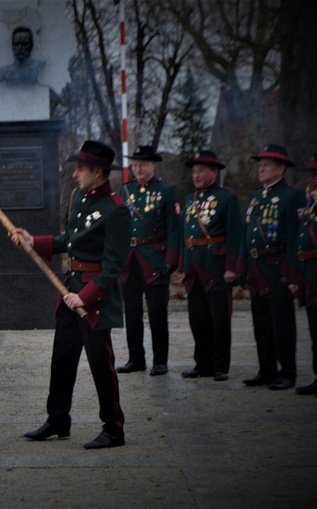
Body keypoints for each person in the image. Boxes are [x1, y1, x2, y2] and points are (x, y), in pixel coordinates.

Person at [11, 140, 130, 449]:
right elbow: (68, 240)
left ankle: (114, 429)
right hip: (69, 289)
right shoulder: (79, 197)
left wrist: (87, 297)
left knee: (101, 364)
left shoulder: (116, 210)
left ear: (98, 172)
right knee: (62, 359)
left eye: (80, 168)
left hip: (95, 299)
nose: (75, 174)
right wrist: (32, 240)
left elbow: (115, 266)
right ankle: (58, 420)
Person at [239, 145, 304, 390]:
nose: (261, 168)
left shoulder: (292, 195)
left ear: (281, 168)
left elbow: (294, 237)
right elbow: (248, 234)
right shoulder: (255, 196)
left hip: (277, 268)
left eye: (267, 164)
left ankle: (288, 372)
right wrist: (242, 266)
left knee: (282, 324)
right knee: (262, 323)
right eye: (260, 164)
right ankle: (266, 370)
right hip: (256, 267)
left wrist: (290, 272)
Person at [117, 145, 181, 376]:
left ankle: (160, 360)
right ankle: (136, 359)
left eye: (142, 164)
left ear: (153, 165)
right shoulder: (125, 191)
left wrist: (171, 259)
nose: (138, 168)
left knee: (157, 312)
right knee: (132, 311)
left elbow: (175, 230)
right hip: (130, 259)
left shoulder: (167, 190)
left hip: (155, 258)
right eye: (135, 164)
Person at [179, 150, 244, 382]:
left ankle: (220, 366)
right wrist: (182, 266)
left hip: (215, 265)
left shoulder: (227, 197)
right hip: (194, 267)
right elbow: (183, 234)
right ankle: (202, 364)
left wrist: (231, 267)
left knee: (219, 319)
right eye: (194, 171)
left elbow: (236, 234)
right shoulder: (189, 199)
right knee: (197, 319)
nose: (196, 175)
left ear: (214, 173)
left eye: (201, 171)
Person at [289, 153, 317, 396]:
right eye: (313, 173)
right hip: (308, 269)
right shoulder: (310, 201)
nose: (313, 178)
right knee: (314, 326)